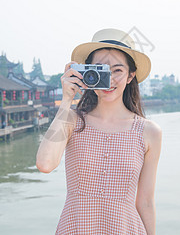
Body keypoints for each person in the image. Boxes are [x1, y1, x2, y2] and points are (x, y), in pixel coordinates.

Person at [36, 28, 162, 234]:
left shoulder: (149, 132)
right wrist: (67, 99)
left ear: (131, 76)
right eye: (100, 70)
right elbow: (45, 164)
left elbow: (146, 202)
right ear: (87, 74)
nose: (109, 79)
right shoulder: (71, 120)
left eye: (117, 70)